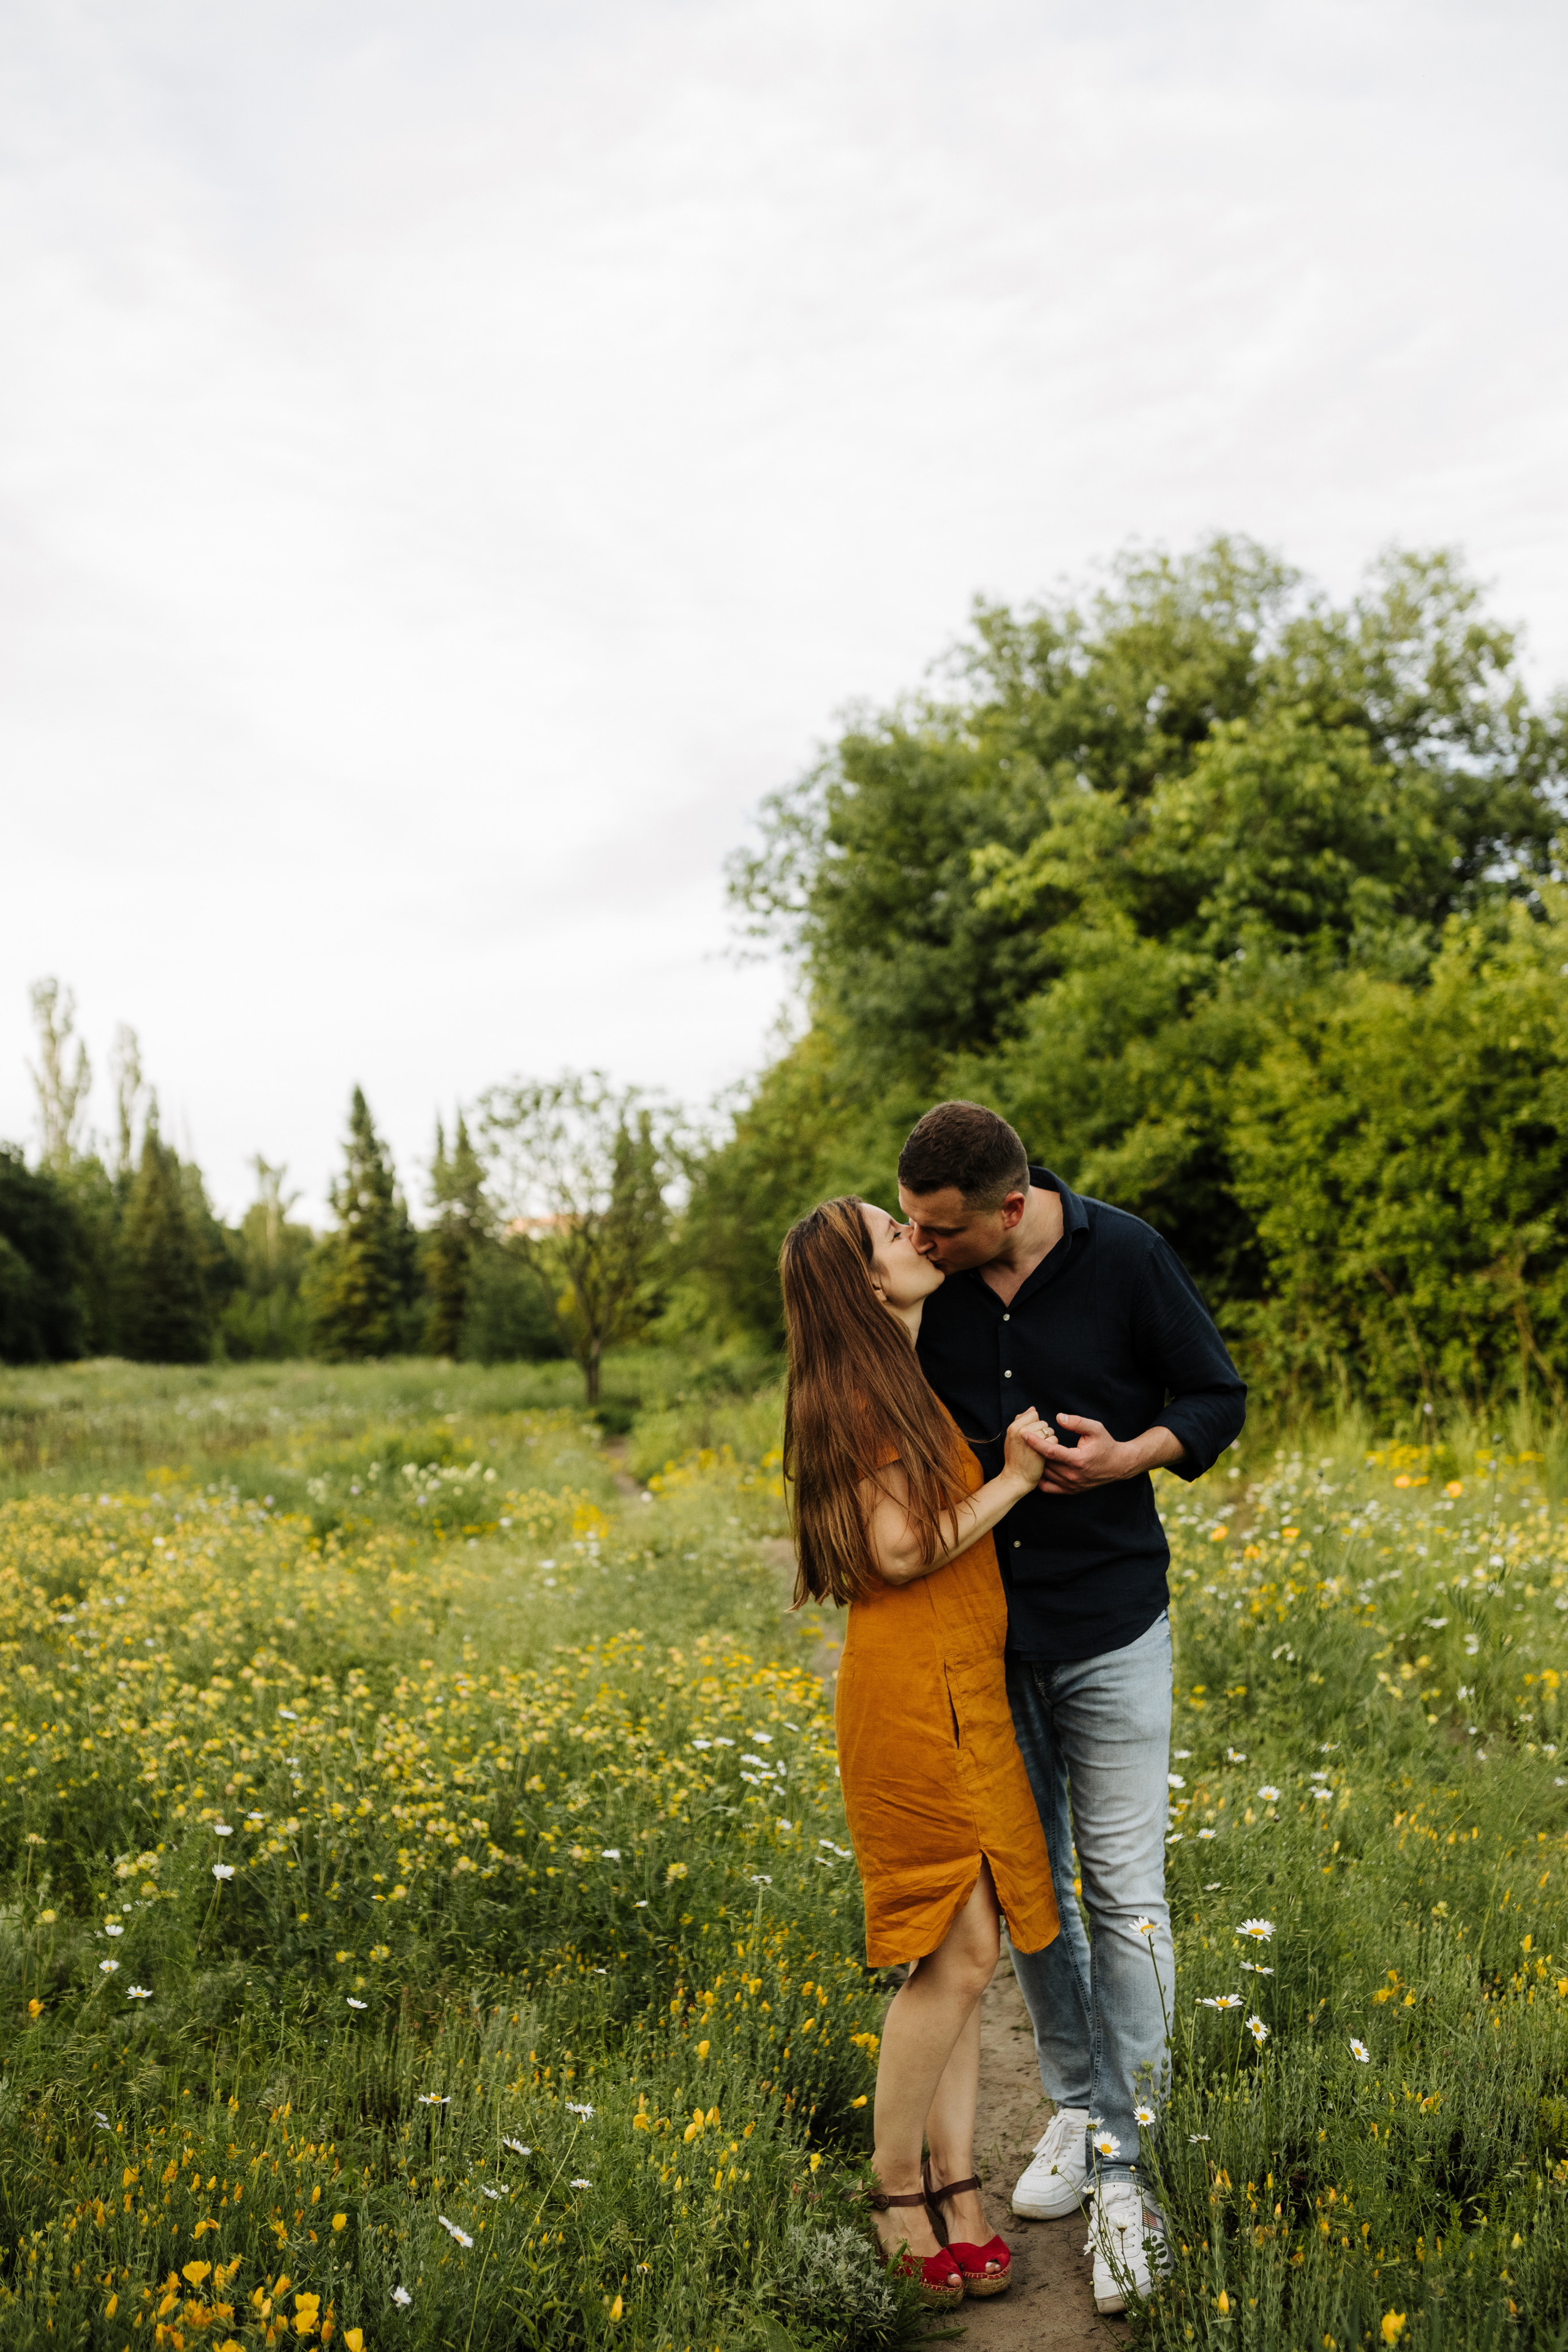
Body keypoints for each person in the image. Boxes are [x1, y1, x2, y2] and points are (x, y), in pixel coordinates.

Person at [896, 1101, 1246, 2316]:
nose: (917, 1242)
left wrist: (1131, 1454)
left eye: (937, 1229)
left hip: (1109, 1628)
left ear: (1008, 1207)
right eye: (908, 1224)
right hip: (987, 1639)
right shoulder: (923, 1287)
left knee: (1126, 1888)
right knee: (1034, 1893)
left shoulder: (1125, 1255)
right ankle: (1078, 2107)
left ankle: (1123, 2163)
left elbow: (1213, 1397)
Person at [779, 1196, 1063, 2309]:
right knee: (952, 1953)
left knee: (965, 1954)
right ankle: (897, 2185)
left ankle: (955, 2182)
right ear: (863, 1284)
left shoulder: (894, 1375)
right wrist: (1015, 1480)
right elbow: (899, 1552)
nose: (911, 1236)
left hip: (953, 1692)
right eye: (883, 1235)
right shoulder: (855, 1395)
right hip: (911, 1702)